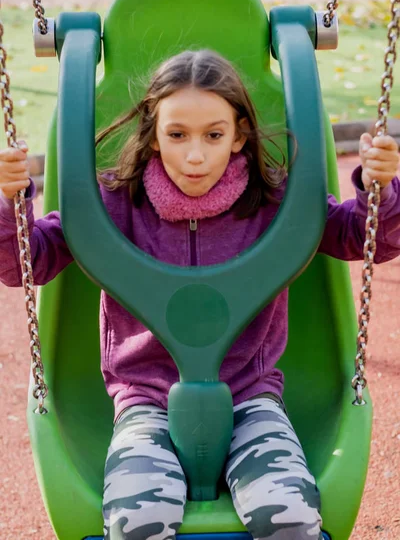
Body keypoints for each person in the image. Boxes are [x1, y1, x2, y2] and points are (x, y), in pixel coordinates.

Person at [0, 50, 399, 540]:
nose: (194, 155)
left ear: (239, 136)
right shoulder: (111, 208)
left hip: (250, 399)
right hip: (144, 400)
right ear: (153, 135)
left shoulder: (276, 206)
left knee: (291, 515)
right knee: (137, 520)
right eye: (177, 135)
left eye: (213, 135)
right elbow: (26, 262)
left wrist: (378, 189)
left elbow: (366, 238)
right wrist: (8, 203)